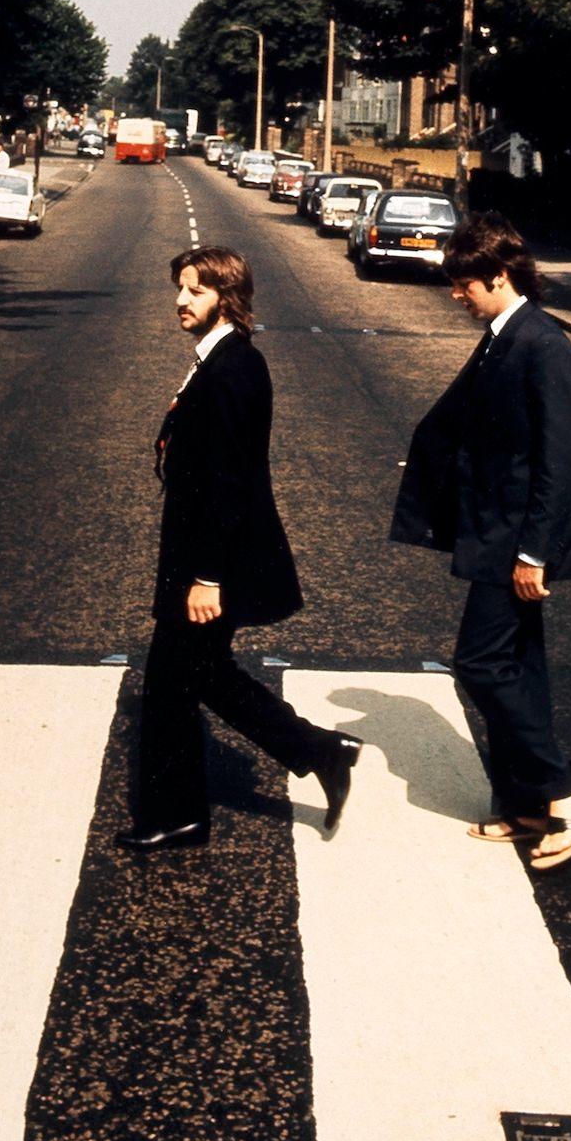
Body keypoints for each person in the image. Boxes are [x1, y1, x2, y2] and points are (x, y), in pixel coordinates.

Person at [121, 247, 360, 852]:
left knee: (175, 678)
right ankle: (315, 752)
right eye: (180, 288)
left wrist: (207, 576)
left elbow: (229, 481)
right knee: (193, 675)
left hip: (212, 561)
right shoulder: (220, 359)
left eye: (195, 291)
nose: (181, 300)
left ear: (226, 299)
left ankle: (187, 810)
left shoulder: (233, 370)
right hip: (202, 553)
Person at [391, 213, 571, 872]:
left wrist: (534, 553)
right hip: (494, 531)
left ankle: (565, 787)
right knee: (519, 665)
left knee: (480, 662)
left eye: (465, 283)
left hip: (517, 540)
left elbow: (559, 460)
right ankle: (525, 803)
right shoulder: (502, 336)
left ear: (501, 274)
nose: (457, 294)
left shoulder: (543, 345)